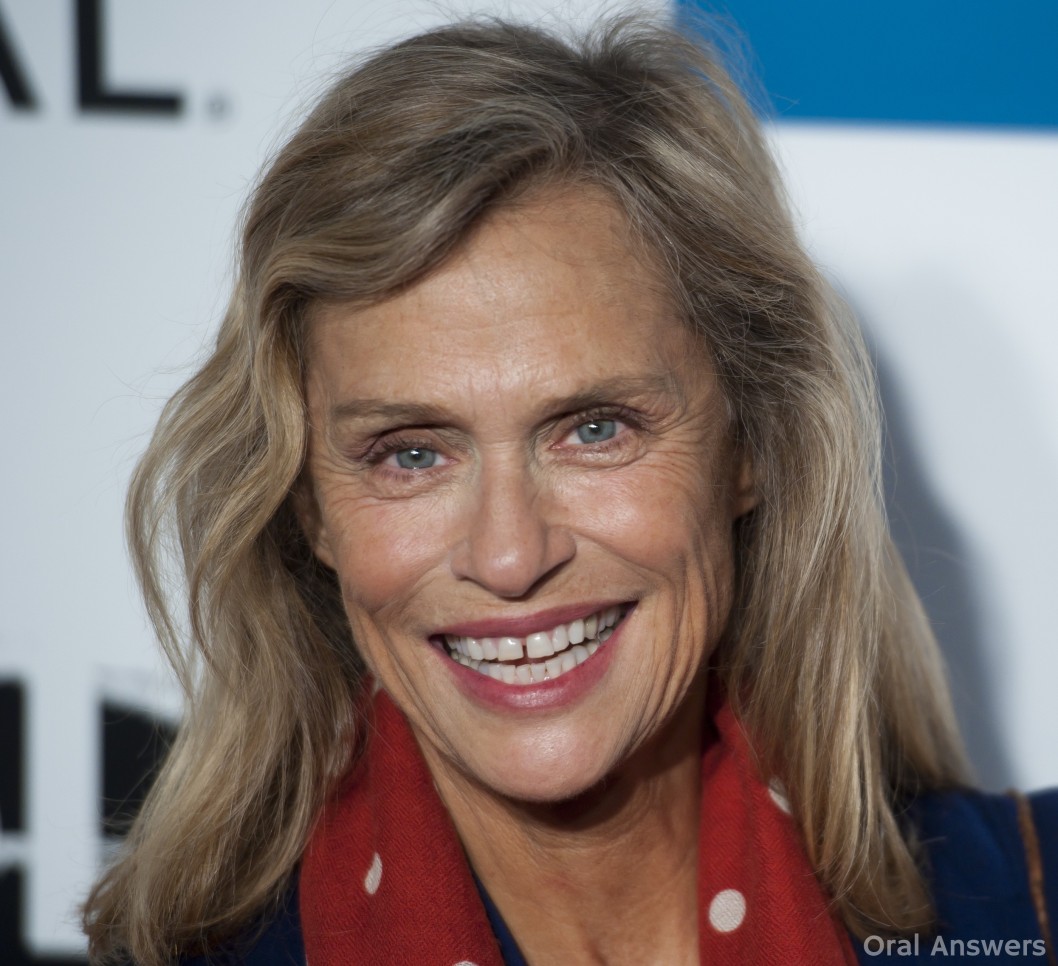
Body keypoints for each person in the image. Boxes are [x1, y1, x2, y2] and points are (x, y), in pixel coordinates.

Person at [83, 16, 1056, 966]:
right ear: (311, 510)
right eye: (410, 455)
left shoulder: (1030, 903)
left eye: (595, 429)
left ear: (752, 447)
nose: (509, 557)